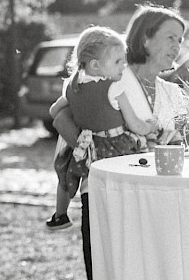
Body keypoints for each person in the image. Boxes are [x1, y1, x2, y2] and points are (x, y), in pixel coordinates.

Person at [56, 5, 186, 280]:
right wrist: (88, 140)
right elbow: (60, 110)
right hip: (107, 198)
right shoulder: (112, 72)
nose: (177, 47)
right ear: (144, 39)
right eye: (170, 37)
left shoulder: (173, 92)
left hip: (161, 204)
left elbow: (181, 145)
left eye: (180, 40)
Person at [44, 27, 158, 231]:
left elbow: (54, 111)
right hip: (116, 148)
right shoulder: (115, 88)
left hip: (88, 151)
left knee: (68, 175)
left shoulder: (71, 86)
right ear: (96, 65)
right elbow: (136, 126)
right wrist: (151, 126)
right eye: (117, 61)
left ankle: (60, 216)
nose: (123, 65)